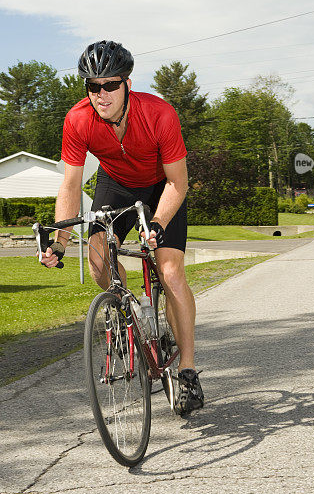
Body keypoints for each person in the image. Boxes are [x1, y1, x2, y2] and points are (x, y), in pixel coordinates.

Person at [40, 40, 204, 416]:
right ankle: (129, 312)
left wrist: (159, 222)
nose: (101, 94)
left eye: (109, 85)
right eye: (92, 86)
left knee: (170, 270)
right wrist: (61, 241)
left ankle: (189, 370)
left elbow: (179, 181)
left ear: (127, 83)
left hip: (162, 185)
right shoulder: (78, 119)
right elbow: (70, 185)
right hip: (115, 185)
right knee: (99, 264)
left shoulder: (159, 113)